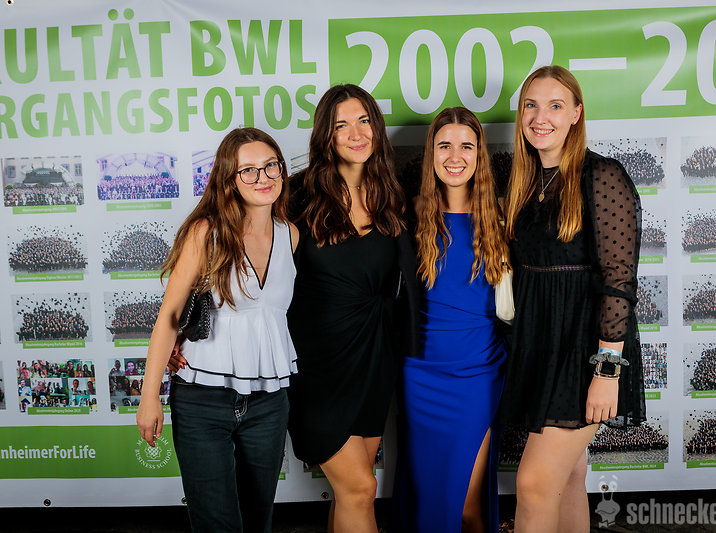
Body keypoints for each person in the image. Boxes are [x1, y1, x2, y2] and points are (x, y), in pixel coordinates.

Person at [502, 65, 645, 532]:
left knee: (534, 486)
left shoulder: (601, 174)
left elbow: (619, 279)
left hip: (586, 354)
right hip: (541, 347)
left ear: (576, 114)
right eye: (531, 105)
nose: (540, 117)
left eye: (555, 105)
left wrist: (607, 371)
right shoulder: (524, 184)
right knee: (568, 477)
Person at [136, 127, 299, 533]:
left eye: (271, 166)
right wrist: (149, 397)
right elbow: (170, 316)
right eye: (248, 170)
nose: (263, 178)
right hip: (202, 401)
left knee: (257, 521)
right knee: (217, 524)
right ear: (229, 180)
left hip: (269, 403)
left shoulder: (291, 235)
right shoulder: (206, 232)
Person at [287, 83, 418, 533]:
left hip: (374, 358)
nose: (356, 133)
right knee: (361, 489)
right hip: (317, 366)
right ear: (326, 135)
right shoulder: (296, 196)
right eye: (342, 125)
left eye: (364, 121)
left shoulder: (392, 197)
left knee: (352, 491)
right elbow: (238, 252)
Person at [393, 107, 507, 533]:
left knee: (466, 506)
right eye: (444, 145)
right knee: (429, 500)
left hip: (478, 373)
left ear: (479, 154)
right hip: (420, 374)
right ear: (431, 154)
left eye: (466, 146)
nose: (455, 156)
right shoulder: (408, 217)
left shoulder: (501, 218)